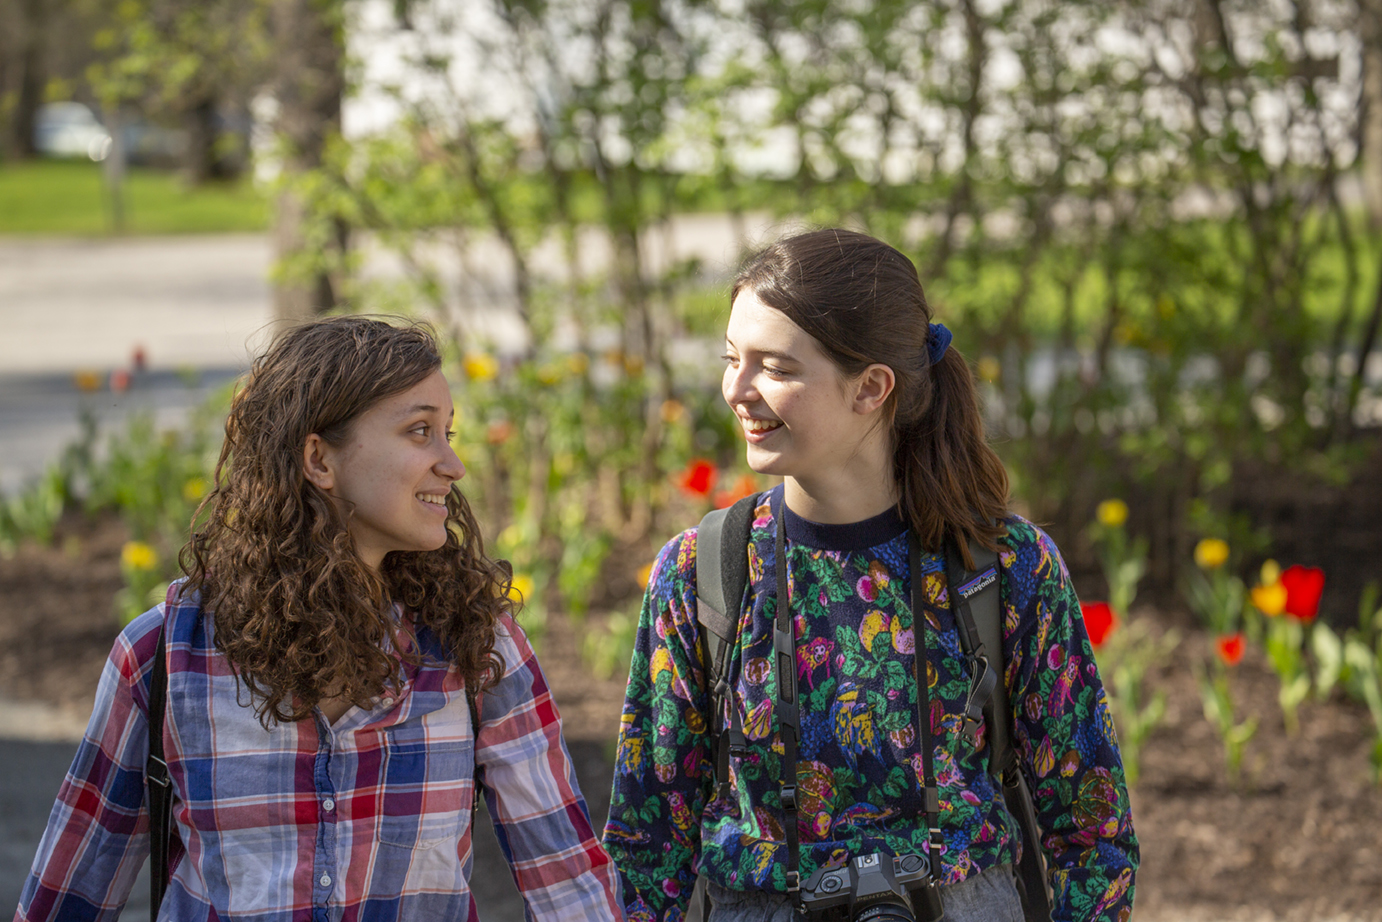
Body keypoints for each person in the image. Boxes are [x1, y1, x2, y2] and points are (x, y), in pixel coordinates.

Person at [602, 229, 1138, 922]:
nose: (737, 389)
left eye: (776, 368)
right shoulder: (702, 572)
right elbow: (646, 850)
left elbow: (1092, 832)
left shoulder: (1002, 569)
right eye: (733, 359)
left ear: (872, 387)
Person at [16, 317, 623, 922]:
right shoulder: (164, 654)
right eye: (420, 432)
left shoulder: (479, 647)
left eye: (448, 433)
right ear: (318, 459)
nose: (453, 465)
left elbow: (569, 885)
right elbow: (67, 898)